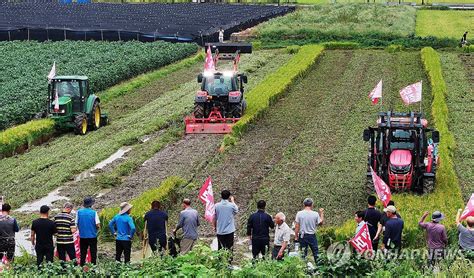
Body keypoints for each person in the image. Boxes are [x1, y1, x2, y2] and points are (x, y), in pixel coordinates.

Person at [294, 198, 324, 263]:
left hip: (302, 236)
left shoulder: (299, 213)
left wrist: (296, 236)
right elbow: (321, 223)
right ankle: (319, 269)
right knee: (316, 253)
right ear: (312, 205)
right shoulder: (315, 214)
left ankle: (303, 270)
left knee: (303, 254)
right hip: (312, 236)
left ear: (303, 204)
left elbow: (297, 226)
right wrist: (321, 213)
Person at [76, 197, 100, 266]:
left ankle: (82, 266)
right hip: (92, 236)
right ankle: (93, 267)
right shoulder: (94, 213)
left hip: (82, 236)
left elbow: (76, 223)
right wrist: (96, 230)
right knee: (93, 253)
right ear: (91, 204)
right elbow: (98, 225)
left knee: (83, 253)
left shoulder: (79, 212)